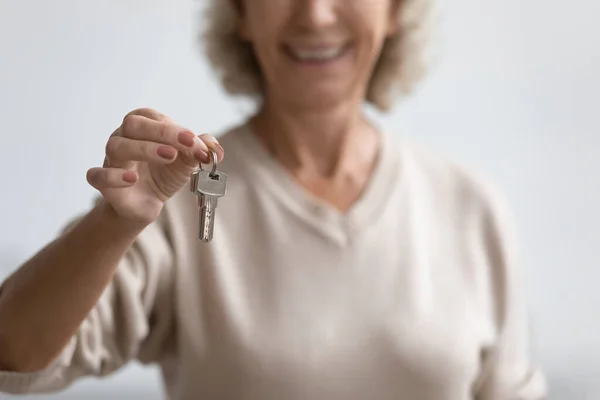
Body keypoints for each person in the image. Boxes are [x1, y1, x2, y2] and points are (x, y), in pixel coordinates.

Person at [0, 0, 547, 399]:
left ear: (396, 10)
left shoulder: (471, 208)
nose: (315, 14)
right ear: (240, 13)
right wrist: (111, 226)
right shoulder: (173, 197)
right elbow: (13, 358)